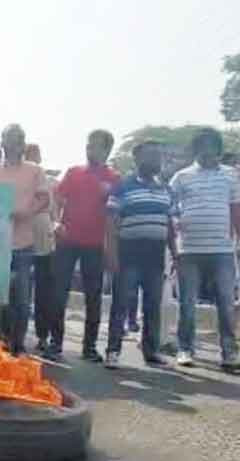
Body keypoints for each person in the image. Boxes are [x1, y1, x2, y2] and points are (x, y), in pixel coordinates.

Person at [170, 128, 240, 370]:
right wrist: (175, 221)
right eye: (202, 147)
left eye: (212, 147)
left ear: (218, 149)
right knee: (187, 302)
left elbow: (236, 209)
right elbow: (170, 207)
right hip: (189, 249)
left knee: (226, 303)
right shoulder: (181, 177)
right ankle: (185, 349)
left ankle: (229, 353)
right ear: (196, 150)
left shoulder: (230, 175)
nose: (208, 152)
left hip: (221, 249)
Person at [44, 130, 120, 363]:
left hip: (95, 245)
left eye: (96, 146)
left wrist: (111, 250)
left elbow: (114, 217)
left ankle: (89, 347)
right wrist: (56, 221)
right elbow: (56, 200)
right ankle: (55, 343)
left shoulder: (114, 178)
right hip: (67, 241)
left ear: (107, 150)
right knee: (58, 294)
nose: (90, 150)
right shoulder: (74, 172)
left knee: (93, 297)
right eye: (88, 145)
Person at [0, 124, 50, 355]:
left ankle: (17, 345)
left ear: (23, 143)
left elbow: (44, 198)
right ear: (2, 142)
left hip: (22, 244)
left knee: (20, 300)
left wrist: (27, 212)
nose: (14, 143)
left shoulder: (35, 171)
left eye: (19, 139)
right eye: (10, 138)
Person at [105, 140, 176, 369]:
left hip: (155, 256)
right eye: (150, 155)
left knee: (152, 306)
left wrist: (175, 253)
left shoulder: (166, 189)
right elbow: (111, 223)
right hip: (128, 254)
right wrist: (112, 255)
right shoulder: (123, 186)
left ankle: (151, 352)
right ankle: (113, 351)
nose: (156, 160)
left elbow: (170, 224)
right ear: (137, 159)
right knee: (121, 304)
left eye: (158, 155)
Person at [24, 143, 58, 352]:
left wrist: (56, 227)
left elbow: (56, 212)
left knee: (44, 290)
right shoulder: (17, 180)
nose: (32, 159)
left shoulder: (51, 182)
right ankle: (14, 333)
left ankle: (43, 335)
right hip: (20, 237)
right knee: (19, 288)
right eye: (29, 155)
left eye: (35, 155)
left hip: (44, 238)